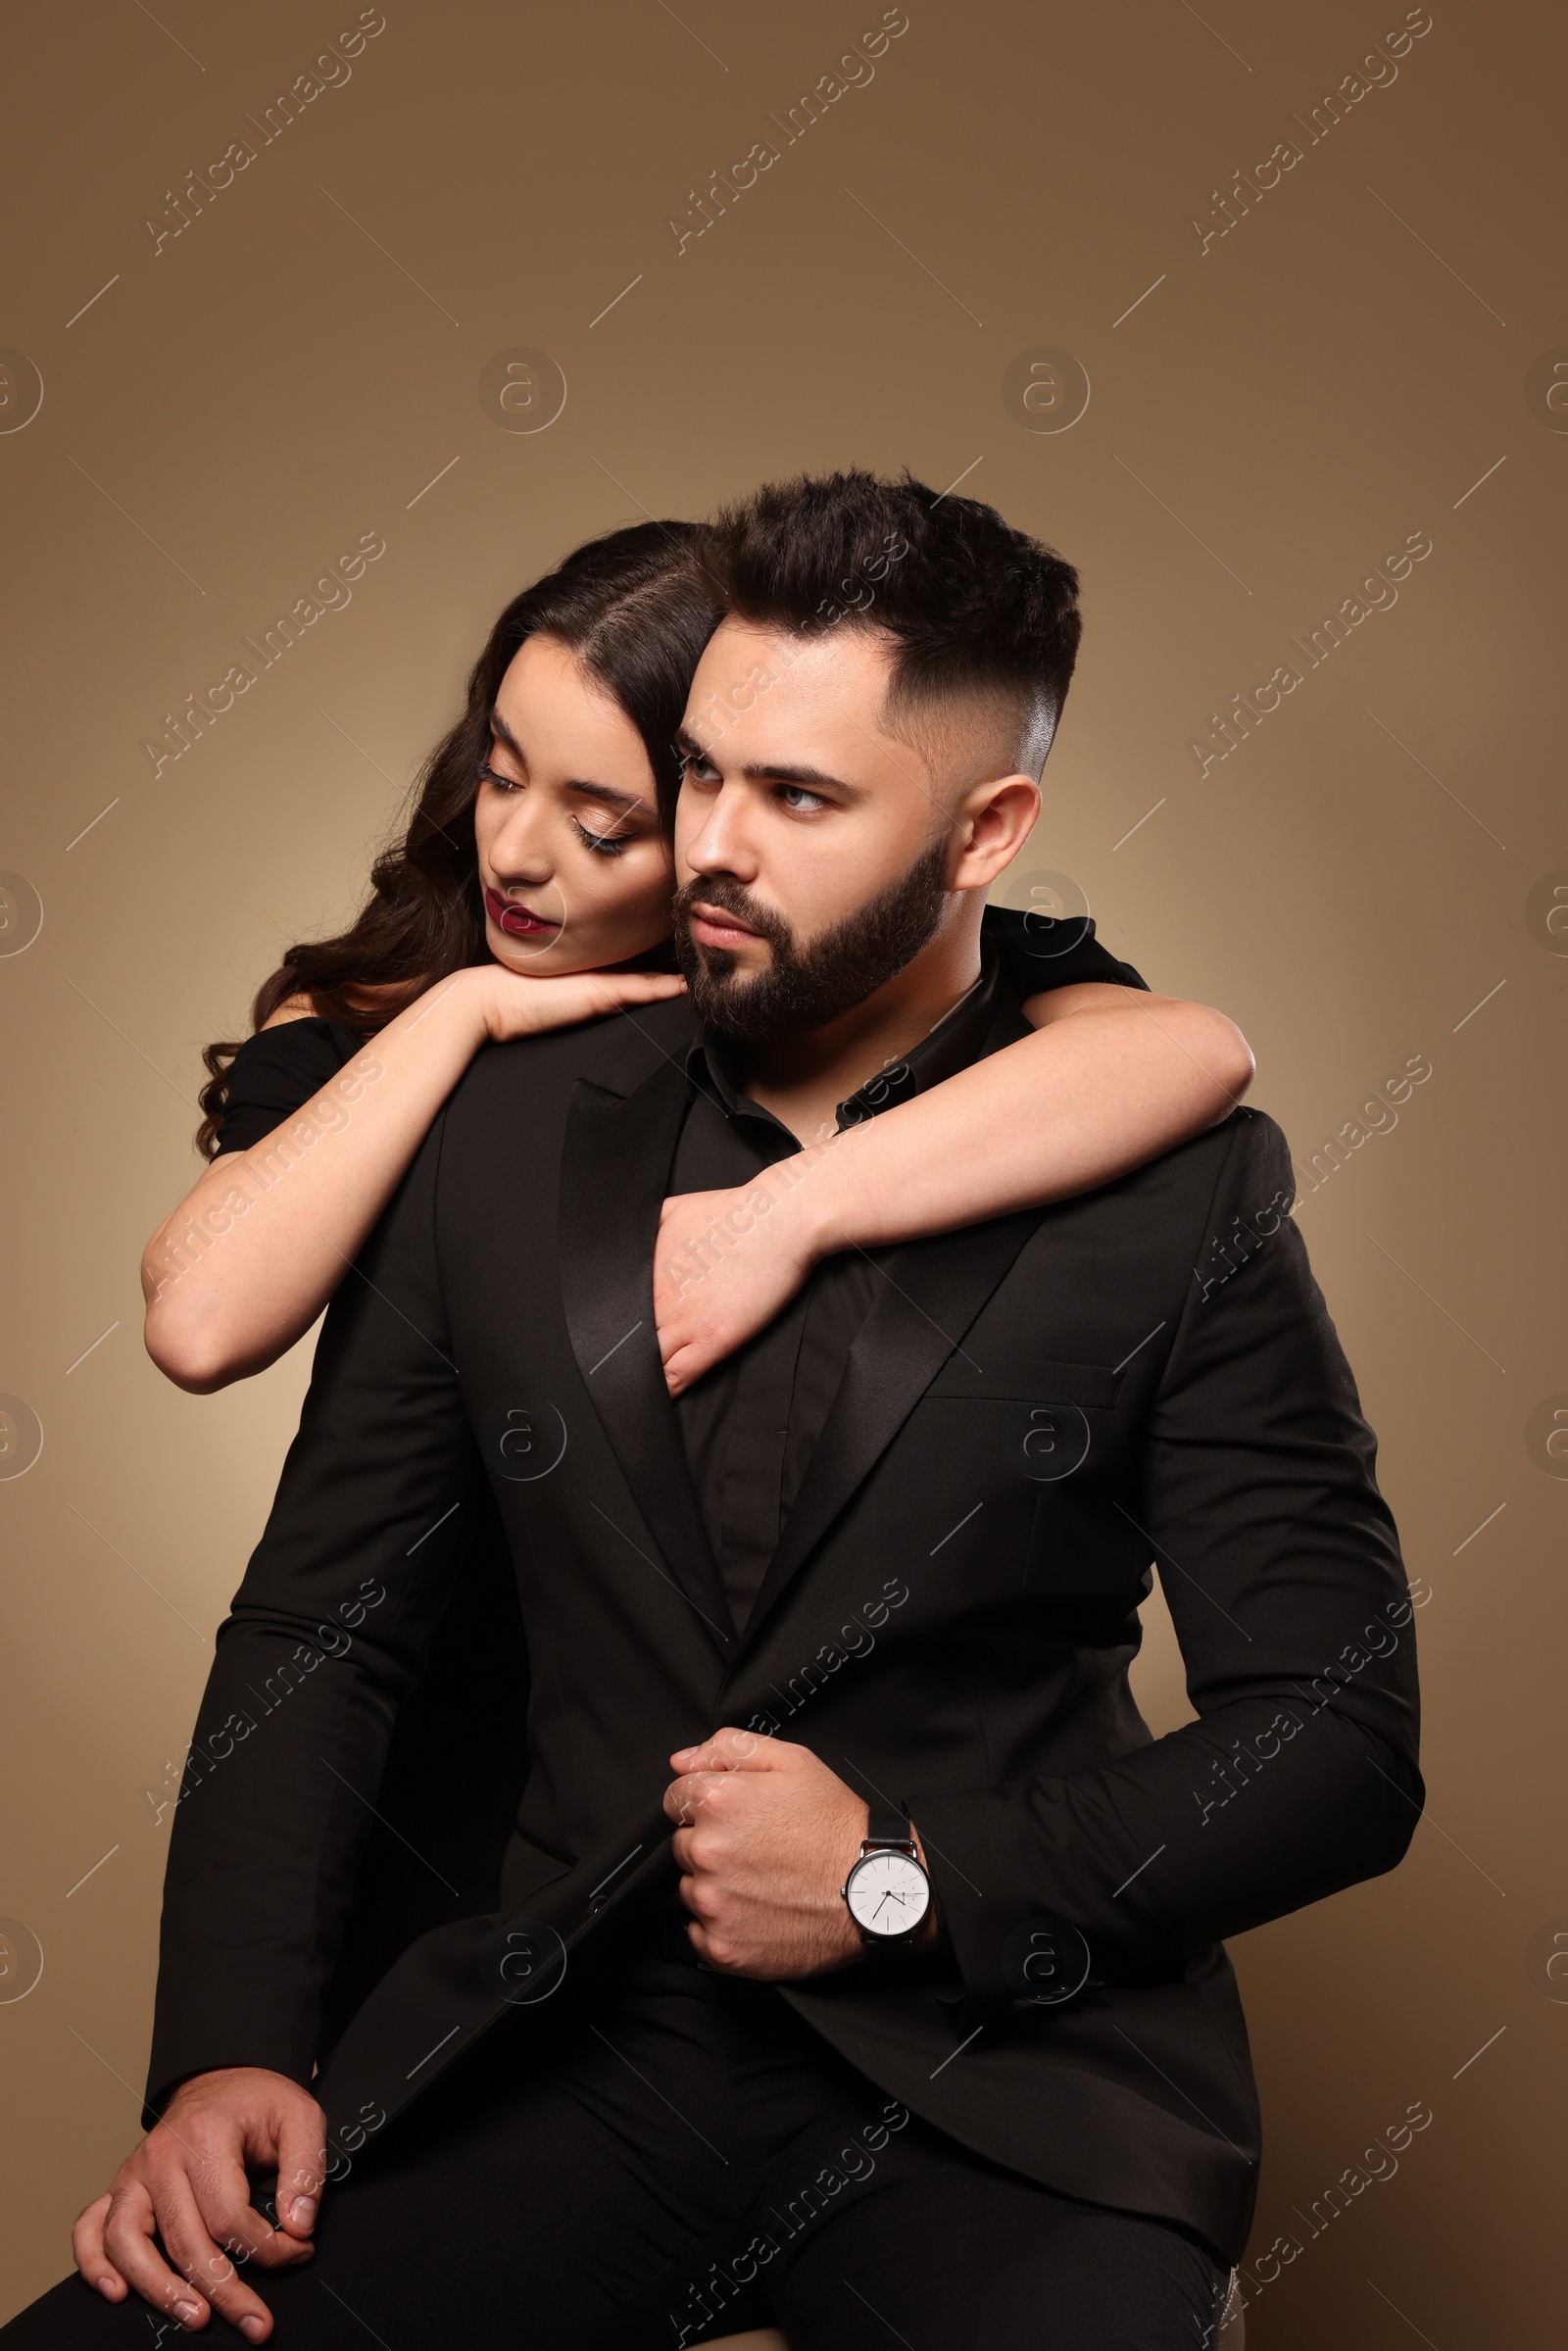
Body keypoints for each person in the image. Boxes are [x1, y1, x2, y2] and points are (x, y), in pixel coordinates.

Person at [2, 473, 1422, 2351]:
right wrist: (226, 2057)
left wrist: (898, 1878)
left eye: (804, 800)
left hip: (1009, 2100)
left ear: (992, 829)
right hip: (557, 2056)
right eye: (700, 777)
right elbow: (325, 1623)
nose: (710, 851)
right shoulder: (497, 1119)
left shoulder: (1170, 1175)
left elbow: (1334, 1735)